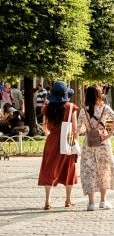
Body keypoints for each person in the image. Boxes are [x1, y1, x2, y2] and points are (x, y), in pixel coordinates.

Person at [78, 86, 114, 211]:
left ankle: (91, 203)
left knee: (89, 172)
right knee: (104, 171)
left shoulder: (83, 110)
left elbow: (79, 128)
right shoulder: (104, 108)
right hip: (103, 142)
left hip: (88, 144)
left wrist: (87, 127)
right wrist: (110, 133)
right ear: (98, 95)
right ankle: (103, 201)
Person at [38, 81, 78, 210]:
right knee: (69, 169)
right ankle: (68, 199)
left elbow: (45, 127)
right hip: (68, 139)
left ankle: (48, 201)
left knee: (49, 168)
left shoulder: (47, 108)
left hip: (52, 140)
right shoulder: (71, 107)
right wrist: (74, 144)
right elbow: (75, 128)